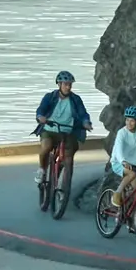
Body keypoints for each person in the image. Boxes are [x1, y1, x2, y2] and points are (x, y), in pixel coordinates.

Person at [32, 71, 91, 211]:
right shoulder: (50, 97)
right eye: (65, 84)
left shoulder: (76, 99)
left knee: (69, 156)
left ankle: (64, 182)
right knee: (46, 148)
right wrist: (40, 117)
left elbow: (83, 113)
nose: (68, 87)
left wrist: (86, 122)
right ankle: (42, 170)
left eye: (70, 84)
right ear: (59, 84)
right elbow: (41, 109)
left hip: (67, 131)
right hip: (50, 130)